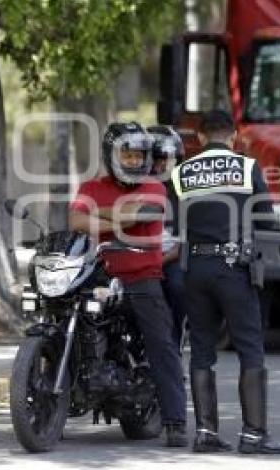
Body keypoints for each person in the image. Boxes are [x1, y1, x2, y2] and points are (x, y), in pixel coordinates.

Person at [168, 109, 280, 455]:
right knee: (250, 347)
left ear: (202, 138)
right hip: (234, 268)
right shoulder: (248, 168)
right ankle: (254, 435)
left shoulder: (180, 173)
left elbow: (172, 222)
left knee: (202, 350)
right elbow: (265, 220)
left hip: (194, 269)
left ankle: (206, 432)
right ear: (234, 136)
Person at [68, 121, 188, 448]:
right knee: (64, 316)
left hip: (143, 277)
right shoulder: (91, 186)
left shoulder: (154, 188)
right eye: (128, 155)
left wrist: (103, 216)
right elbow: (77, 221)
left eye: (139, 156)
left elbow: (139, 215)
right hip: (99, 275)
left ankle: (176, 420)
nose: (134, 161)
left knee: (161, 344)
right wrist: (119, 217)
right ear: (112, 154)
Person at [147, 125, 187, 350]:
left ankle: (173, 346)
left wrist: (157, 261)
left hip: (168, 258)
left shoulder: (183, 192)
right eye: (156, 159)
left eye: (167, 160)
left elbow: (181, 244)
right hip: (135, 258)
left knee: (178, 287)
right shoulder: (133, 188)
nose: (162, 165)